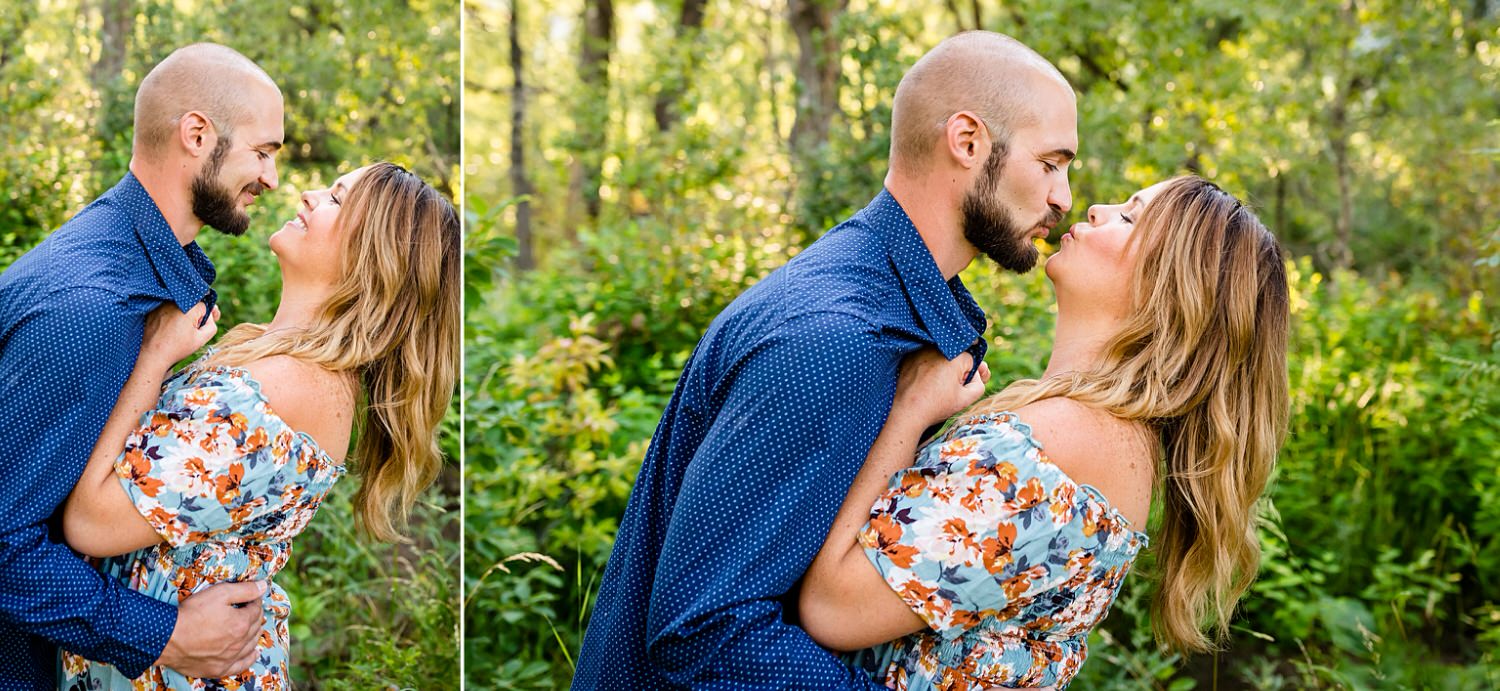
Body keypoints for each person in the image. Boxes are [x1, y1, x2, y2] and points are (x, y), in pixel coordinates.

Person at [572, 31, 1076, 689]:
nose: (1063, 195)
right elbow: (705, 629)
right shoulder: (835, 341)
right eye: (1051, 162)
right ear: (968, 141)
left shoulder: (883, 307)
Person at [798, 176, 1291, 690]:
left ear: (1168, 288)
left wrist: (909, 410)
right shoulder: (1098, 432)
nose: (1098, 208)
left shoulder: (1064, 443)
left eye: (1129, 217)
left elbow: (834, 607)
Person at [55, 161, 461, 689]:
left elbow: (92, 523)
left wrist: (155, 357)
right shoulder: (271, 358)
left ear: (371, 257)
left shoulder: (284, 391)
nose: (311, 194)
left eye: (336, 199)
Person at [0, 43, 284, 688]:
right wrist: (166, 635)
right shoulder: (92, 310)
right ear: (196, 134)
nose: (270, 179)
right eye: (262, 153)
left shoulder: (132, 269)